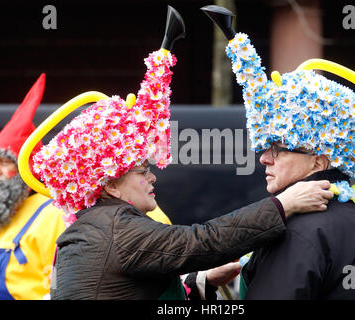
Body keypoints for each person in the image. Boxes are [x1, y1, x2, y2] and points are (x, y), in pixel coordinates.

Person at [24, 6, 333, 300]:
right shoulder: (118, 228)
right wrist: (283, 205)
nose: (152, 176)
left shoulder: (100, 225)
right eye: (142, 169)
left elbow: (133, 284)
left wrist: (200, 280)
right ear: (110, 184)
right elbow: (202, 241)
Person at [202, 5, 355, 299]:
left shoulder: (299, 230)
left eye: (279, 148)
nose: (264, 158)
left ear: (319, 160)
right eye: (263, 147)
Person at [0, 74, 66, 300]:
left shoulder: (54, 213)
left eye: (5, 162)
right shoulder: (2, 214)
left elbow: (64, 284)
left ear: (26, 171)